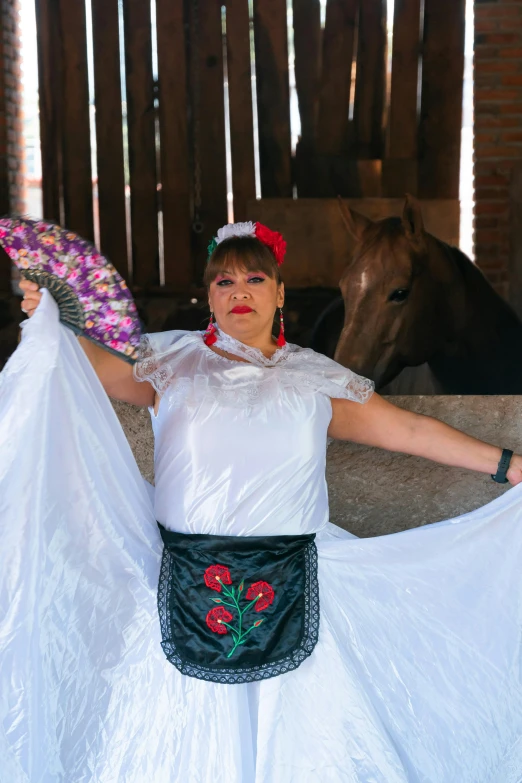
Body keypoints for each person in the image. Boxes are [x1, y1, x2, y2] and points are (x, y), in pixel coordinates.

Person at [3, 220, 522, 782]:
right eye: (223, 281)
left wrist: (508, 465)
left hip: (300, 585)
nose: (238, 291)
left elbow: (412, 432)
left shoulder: (316, 378)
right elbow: (78, 367)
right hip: (180, 588)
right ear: (209, 297)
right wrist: (51, 319)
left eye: (254, 277)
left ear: (279, 292)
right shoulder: (168, 364)